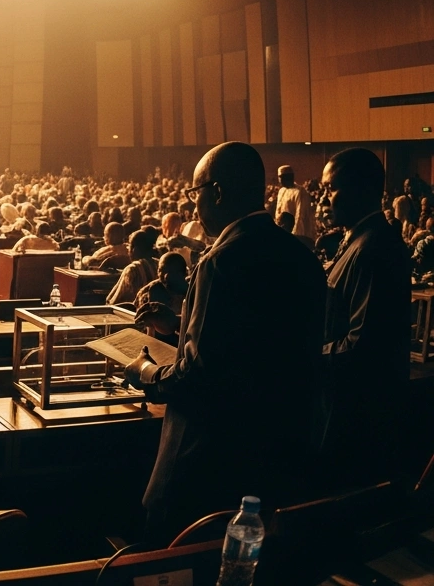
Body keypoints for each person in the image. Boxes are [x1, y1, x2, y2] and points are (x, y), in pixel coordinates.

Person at [125, 142, 325, 539]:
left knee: (178, 560)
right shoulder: (302, 257)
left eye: (195, 193)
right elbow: (258, 345)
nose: (193, 206)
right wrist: (179, 327)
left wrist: (146, 372)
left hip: (208, 465)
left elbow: (199, 375)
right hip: (278, 459)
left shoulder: (221, 261)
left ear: (216, 192)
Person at [315, 149, 409, 487]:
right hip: (344, 404)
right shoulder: (357, 238)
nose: (324, 198)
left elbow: (363, 346)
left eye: (331, 188)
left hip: (358, 416)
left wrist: (305, 355)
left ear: (360, 188)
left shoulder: (374, 247)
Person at [105, 227, 161, 305]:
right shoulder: (159, 264)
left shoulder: (132, 269)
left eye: (129, 247)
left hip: (135, 310)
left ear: (134, 249)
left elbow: (114, 300)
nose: (128, 251)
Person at [274, 165, 316, 240]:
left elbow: (300, 216)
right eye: (279, 177)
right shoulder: (281, 191)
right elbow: (278, 213)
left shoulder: (300, 192)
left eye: (281, 177)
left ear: (289, 177)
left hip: (295, 233)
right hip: (283, 232)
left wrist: (294, 236)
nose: (279, 180)